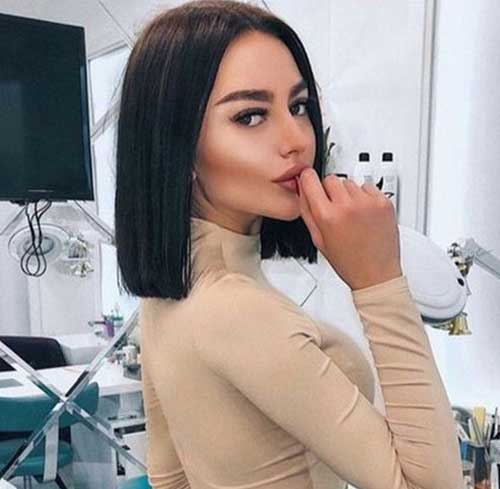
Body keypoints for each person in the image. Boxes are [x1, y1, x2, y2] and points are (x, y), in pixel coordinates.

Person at [114, 1, 463, 488]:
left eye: (298, 107)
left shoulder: (171, 293)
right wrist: (380, 281)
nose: (297, 139)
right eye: (250, 116)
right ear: (178, 146)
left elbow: (169, 476)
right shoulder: (235, 311)